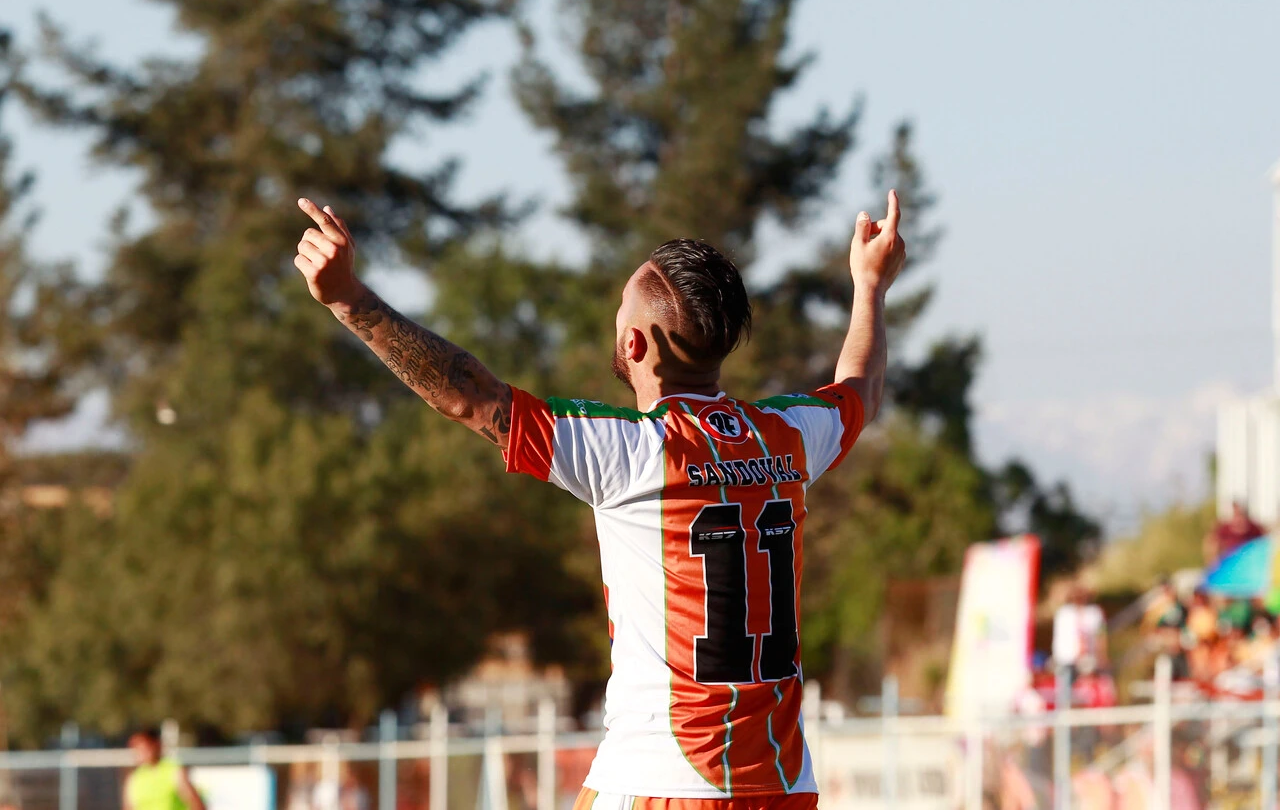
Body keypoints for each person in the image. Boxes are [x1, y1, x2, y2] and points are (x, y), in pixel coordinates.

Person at [291, 190, 908, 809]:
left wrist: (348, 298)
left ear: (635, 346)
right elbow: (863, 386)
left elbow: (469, 395)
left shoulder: (630, 454)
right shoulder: (792, 436)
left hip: (658, 783)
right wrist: (870, 286)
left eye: (621, 309)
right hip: (782, 786)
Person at [123, 728, 206, 810]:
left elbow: (196, 804)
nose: (140, 751)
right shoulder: (134, 778)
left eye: (143, 746)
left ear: (156, 744)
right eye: (136, 747)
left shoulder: (173, 770)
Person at [1052, 584, 1109, 679]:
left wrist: (1102, 655)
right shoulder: (1064, 613)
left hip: (1088, 658)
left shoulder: (1095, 613)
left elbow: (1101, 635)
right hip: (1066, 657)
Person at [1204, 500, 1265, 565]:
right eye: (1236, 514)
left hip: (1247, 560)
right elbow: (1211, 542)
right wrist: (1214, 561)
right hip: (1230, 560)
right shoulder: (1225, 528)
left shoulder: (1252, 527)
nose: (1239, 518)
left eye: (1241, 514)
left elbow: (1264, 540)